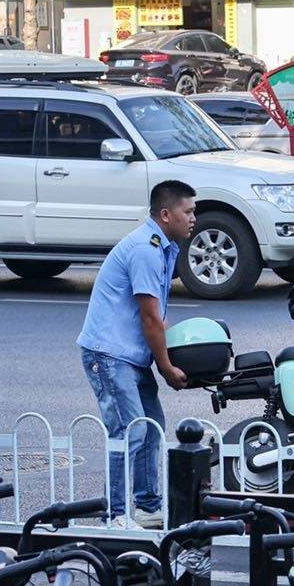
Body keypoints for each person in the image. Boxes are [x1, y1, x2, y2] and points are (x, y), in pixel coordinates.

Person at [79, 180, 199, 529]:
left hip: (129, 355)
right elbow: (150, 317)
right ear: (166, 214)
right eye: (188, 211)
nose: (194, 218)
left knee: (152, 427)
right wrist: (165, 367)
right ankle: (114, 514)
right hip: (109, 353)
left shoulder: (164, 247)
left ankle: (147, 506)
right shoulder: (146, 249)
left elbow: (157, 317)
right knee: (129, 431)